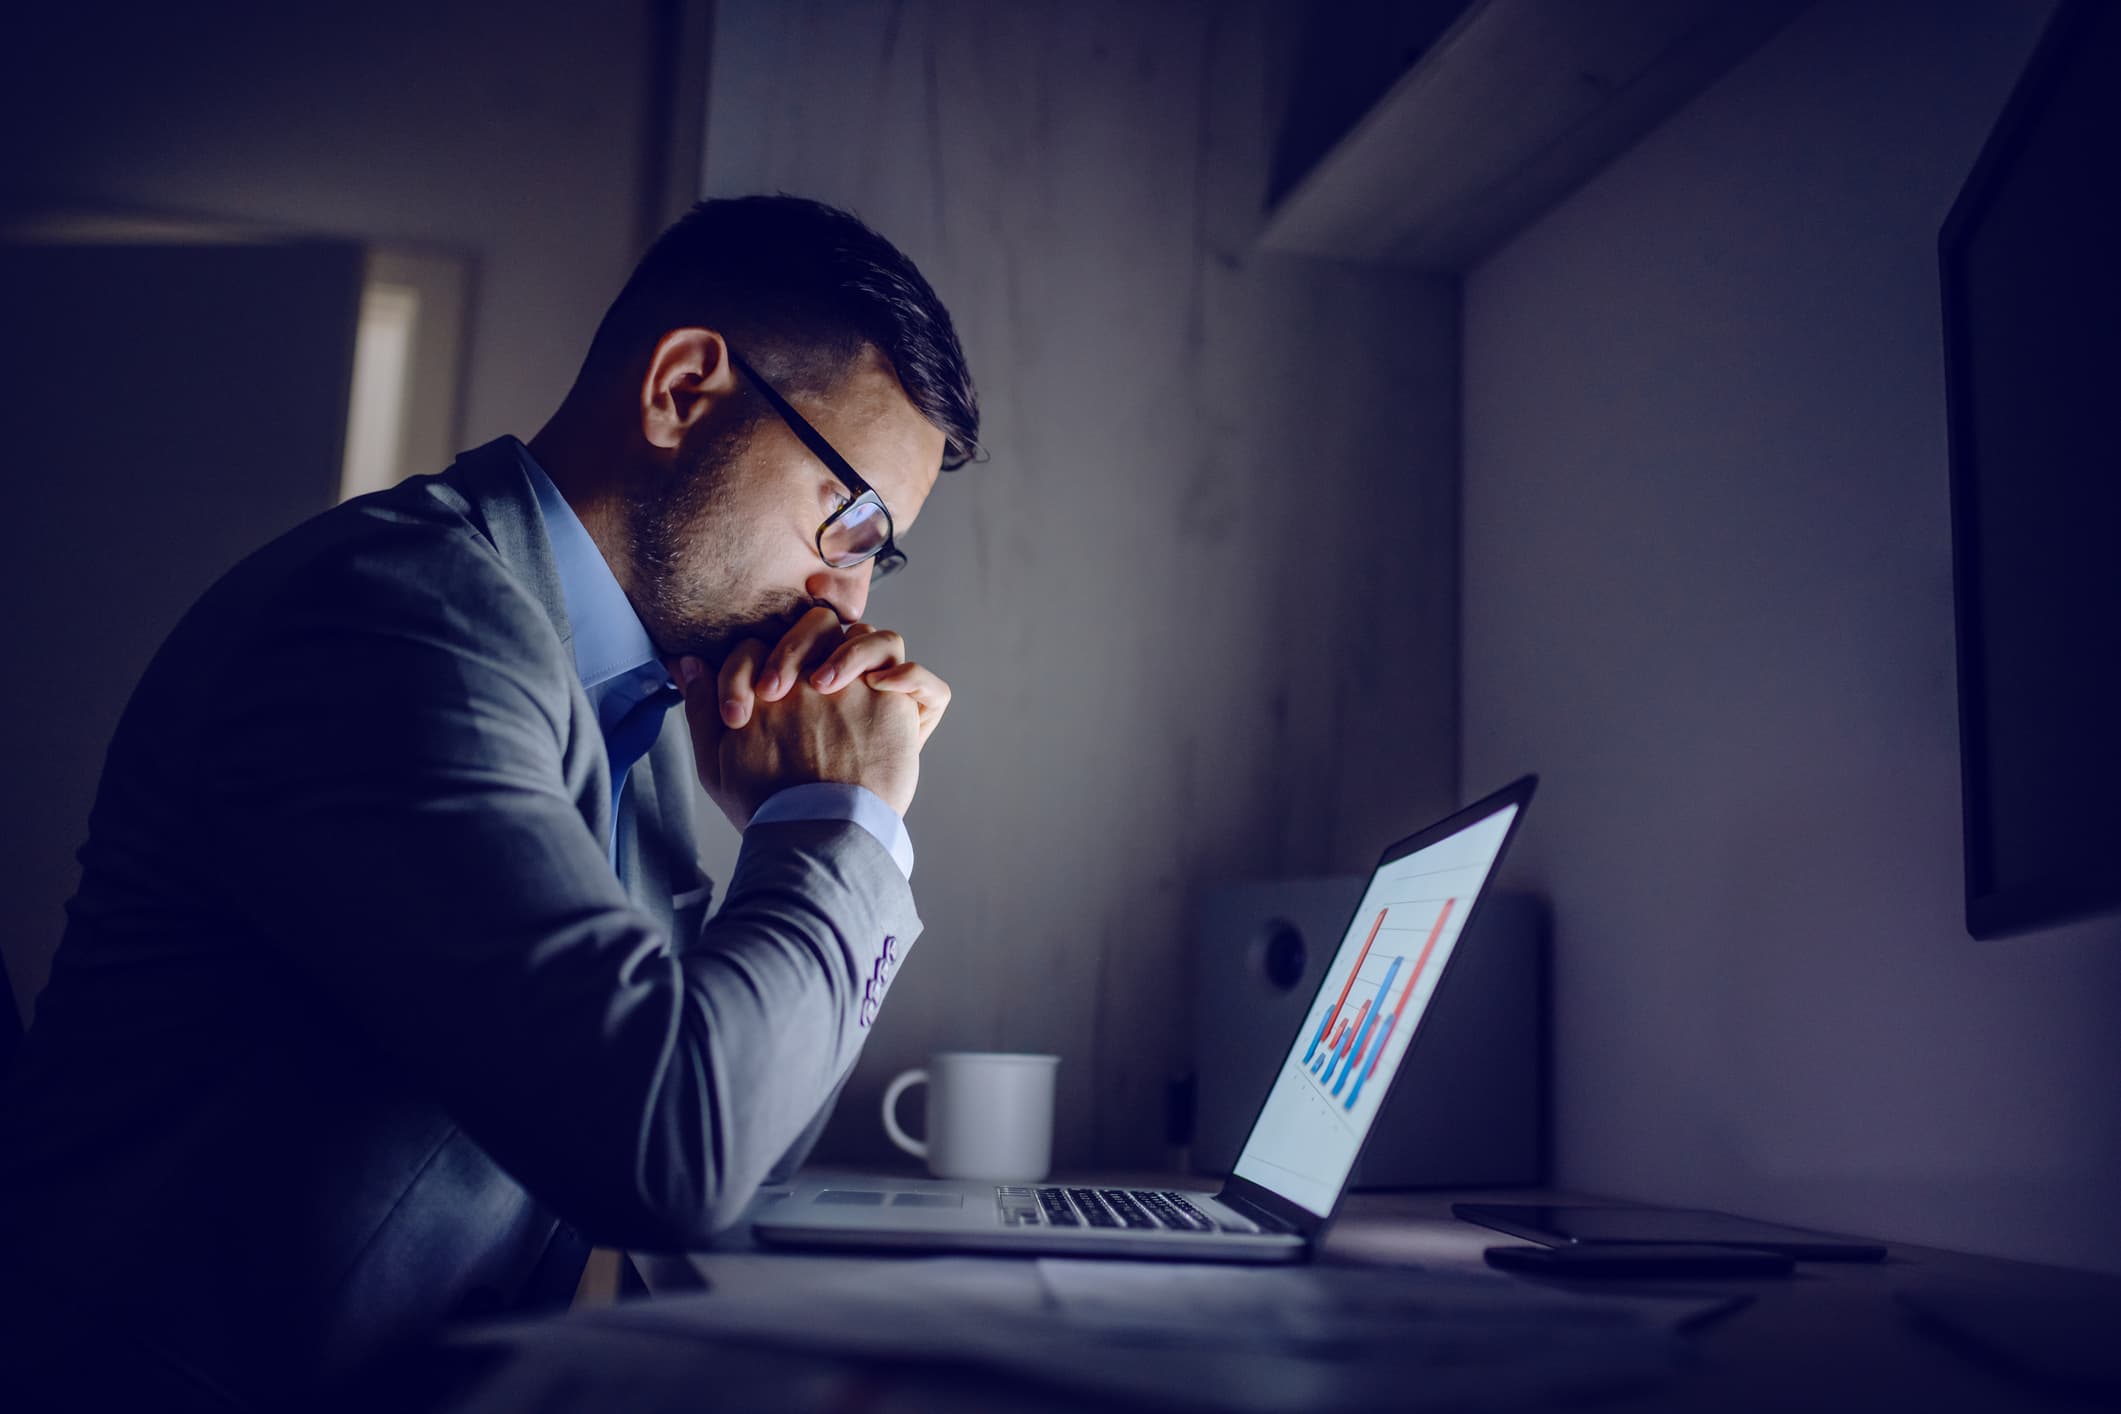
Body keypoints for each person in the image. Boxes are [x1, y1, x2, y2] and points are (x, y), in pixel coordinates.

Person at [0, 194, 980, 1410]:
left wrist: (800, 829)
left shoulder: (637, 694)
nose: (848, 601)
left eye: (878, 554)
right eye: (850, 520)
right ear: (682, 390)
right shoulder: (397, 621)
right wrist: (845, 826)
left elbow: (743, 1158)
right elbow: (672, 1158)